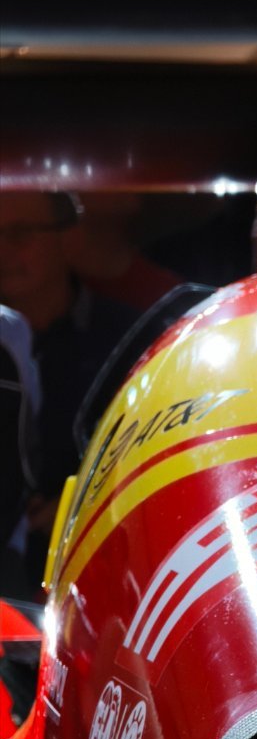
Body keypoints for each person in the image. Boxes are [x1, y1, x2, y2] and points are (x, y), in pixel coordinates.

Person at [0, 191, 140, 587]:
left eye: (20, 233)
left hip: (99, 571)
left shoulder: (128, 339)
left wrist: (84, 505)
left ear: (70, 238)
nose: (3, 251)